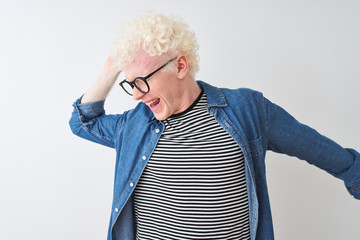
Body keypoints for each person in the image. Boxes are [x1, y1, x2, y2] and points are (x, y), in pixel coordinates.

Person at [69, 10, 360, 240]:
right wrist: (111, 66)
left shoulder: (247, 110)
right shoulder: (134, 125)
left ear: (180, 66)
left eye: (142, 81)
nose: (135, 94)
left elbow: (316, 148)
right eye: (129, 84)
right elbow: (82, 122)